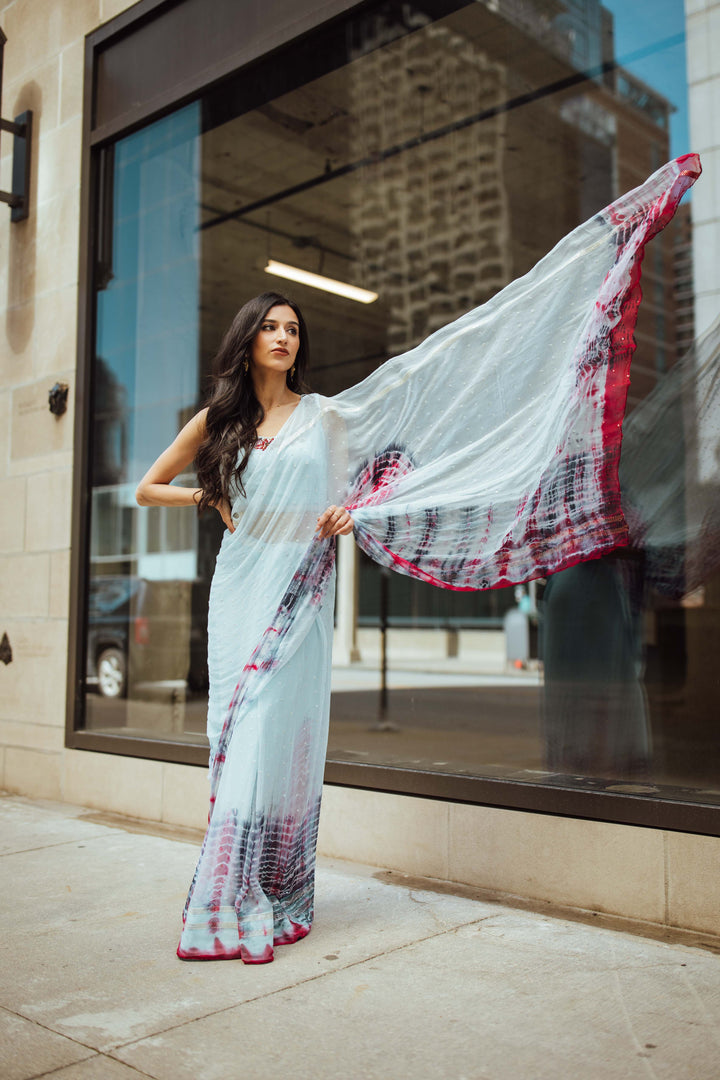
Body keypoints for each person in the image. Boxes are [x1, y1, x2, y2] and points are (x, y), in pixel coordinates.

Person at [136, 154, 700, 963]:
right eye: (272, 325)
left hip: (298, 594)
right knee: (240, 738)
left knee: (279, 737)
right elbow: (146, 487)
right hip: (239, 594)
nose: (285, 337)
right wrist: (210, 499)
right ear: (248, 337)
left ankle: (274, 894)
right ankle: (234, 897)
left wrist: (349, 508)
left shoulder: (327, 419)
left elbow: (411, 405)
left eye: (294, 328)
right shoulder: (215, 424)